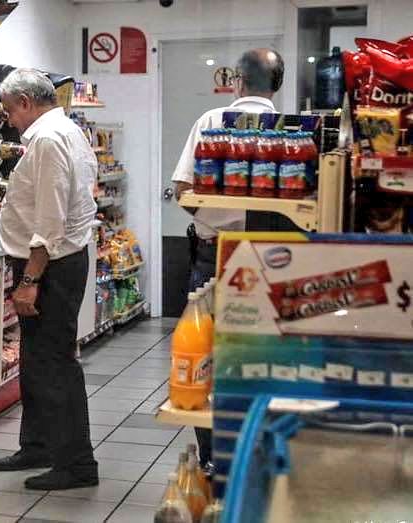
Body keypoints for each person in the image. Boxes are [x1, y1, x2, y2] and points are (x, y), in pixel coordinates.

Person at [171, 48, 285, 470]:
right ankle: (258, 457)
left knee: (205, 358)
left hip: (211, 255)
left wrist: (212, 219)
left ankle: (211, 460)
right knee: (262, 358)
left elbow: (182, 188)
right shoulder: (289, 128)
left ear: (237, 80)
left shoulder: (211, 121)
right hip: (270, 258)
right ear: (278, 84)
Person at [0, 68, 99, 491]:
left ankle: (76, 464)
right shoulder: (64, 131)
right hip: (55, 260)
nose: (8, 120)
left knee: (55, 364)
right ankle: (37, 445)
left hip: (50, 266)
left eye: (8, 111)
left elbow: (51, 219)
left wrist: (30, 278)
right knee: (35, 361)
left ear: (25, 103)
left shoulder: (49, 140)